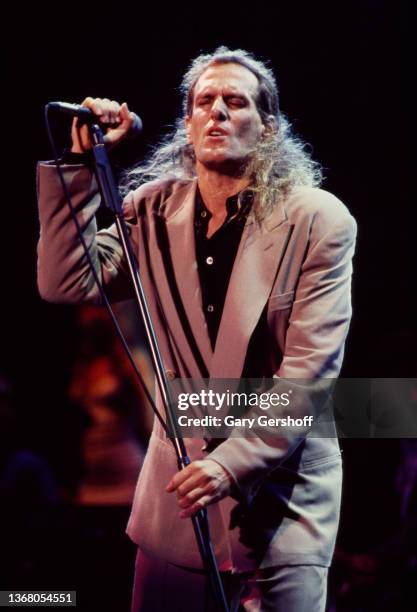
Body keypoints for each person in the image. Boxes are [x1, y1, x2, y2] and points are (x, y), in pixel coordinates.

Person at [36, 47, 357, 611]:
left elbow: (309, 374)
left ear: (267, 127)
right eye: (204, 102)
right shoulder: (151, 211)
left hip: (281, 501)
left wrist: (228, 464)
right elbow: (66, 282)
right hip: (176, 504)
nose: (218, 112)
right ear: (186, 124)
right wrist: (82, 164)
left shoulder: (317, 220)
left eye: (236, 102)